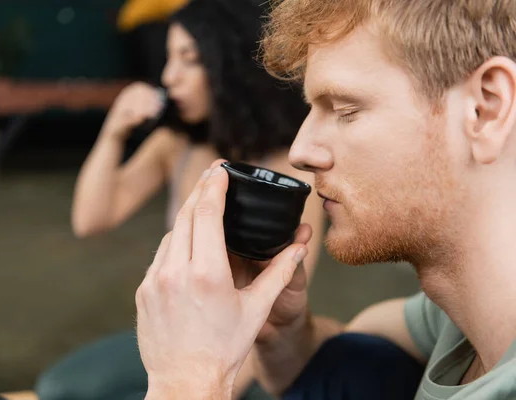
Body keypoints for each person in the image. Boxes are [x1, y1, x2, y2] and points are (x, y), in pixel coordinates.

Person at [133, 0, 516, 399]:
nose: (301, 150)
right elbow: (341, 362)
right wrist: (281, 332)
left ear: (485, 108)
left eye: (345, 110)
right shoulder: (454, 315)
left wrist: (186, 380)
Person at [36, 1, 324, 399]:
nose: (169, 77)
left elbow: (274, 311)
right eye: (168, 58)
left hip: (254, 349)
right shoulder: (176, 145)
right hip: (184, 332)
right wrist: (114, 131)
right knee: (58, 388)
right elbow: (91, 220)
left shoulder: (292, 171)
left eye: (189, 60)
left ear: (232, 66)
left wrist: (205, 386)